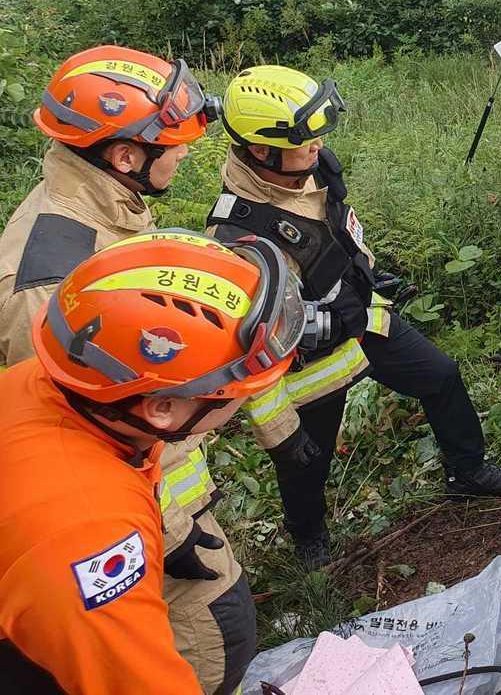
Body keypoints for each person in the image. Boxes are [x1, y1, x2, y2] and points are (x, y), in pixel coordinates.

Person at [0, 45, 256, 694]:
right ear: (125, 155)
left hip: (155, 489)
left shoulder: (101, 203)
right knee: (214, 643)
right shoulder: (52, 280)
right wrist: (168, 536)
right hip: (124, 521)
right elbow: (86, 428)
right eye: (175, 144)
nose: (186, 153)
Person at [206, 65, 501, 570]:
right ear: (262, 152)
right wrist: (281, 431)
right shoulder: (241, 238)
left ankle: (468, 473)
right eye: (304, 138)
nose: (318, 145)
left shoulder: (314, 169)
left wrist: (368, 277)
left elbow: (339, 233)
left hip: (364, 318)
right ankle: (309, 541)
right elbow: (257, 337)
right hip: (311, 363)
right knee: (307, 459)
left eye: (318, 133)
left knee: (441, 376)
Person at [0, 232, 305, 695]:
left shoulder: (45, 385)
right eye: (238, 388)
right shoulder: (88, 533)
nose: (247, 397)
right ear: (162, 407)